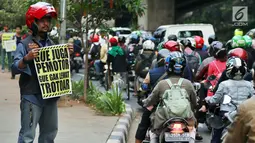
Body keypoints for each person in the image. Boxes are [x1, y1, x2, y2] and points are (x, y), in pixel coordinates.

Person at [11, 2, 73, 142]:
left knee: (49, 135)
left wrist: (65, 56)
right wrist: (27, 58)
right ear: (33, 22)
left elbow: (63, 70)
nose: (46, 24)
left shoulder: (52, 44)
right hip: (31, 96)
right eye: (42, 20)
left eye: (48, 20)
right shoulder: (24, 44)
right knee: (27, 136)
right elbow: (14, 67)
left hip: (50, 98)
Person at [142, 51, 197, 142]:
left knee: (154, 133)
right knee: (192, 131)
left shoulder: (161, 84)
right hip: (186, 119)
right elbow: (194, 102)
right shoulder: (188, 84)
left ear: (168, 67)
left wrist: (145, 102)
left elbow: (151, 100)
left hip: (163, 119)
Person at [206, 57, 254, 143]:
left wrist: (208, 100)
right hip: (244, 114)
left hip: (225, 115)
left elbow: (215, 100)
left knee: (216, 135)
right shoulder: (249, 85)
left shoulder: (224, 84)